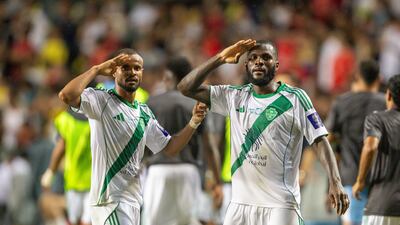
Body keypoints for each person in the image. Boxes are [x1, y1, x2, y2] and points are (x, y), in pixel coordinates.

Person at [177, 39, 349, 225]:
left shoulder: (295, 98)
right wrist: (220, 58)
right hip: (240, 205)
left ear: (276, 65)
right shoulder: (234, 96)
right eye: (253, 58)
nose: (259, 61)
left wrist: (335, 181)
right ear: (246, 65)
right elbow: (186, 87)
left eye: (266, 57)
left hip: (280, 205)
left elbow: (320, 140)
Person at [58, 48, 207, 225]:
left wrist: (194, 121)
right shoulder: (101, 101)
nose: (132, 72)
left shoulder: (144, 112)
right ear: (115, 71)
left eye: (137, 68)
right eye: (126, 67)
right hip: (110, 202)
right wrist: (96, 69)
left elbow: (170, 148)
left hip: (132, 201)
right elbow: (66, 95)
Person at [143, 56, 222, 225]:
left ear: (167, 77)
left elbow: (142, 144)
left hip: (158, 171)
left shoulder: (152, 102)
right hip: (189, 170)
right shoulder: (196, 102)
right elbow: (210, 145)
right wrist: (217, 182)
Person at [326, 60, 386, 225]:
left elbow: (327, 138)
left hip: (350, 177)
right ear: (378, 78)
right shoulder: (385, 103)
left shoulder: (342, 102)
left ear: (357, 76)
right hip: (380, 179)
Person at [352, 74, 400, 225]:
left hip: (383, 206)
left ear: (389, 95)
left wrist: (360, 181)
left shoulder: (377, 119)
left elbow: (371, 146)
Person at [41, 108, 92, 225]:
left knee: (74, 220)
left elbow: (60, 148)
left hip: (73, 180)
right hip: (95, 180)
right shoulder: (100, 116)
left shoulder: (65, 119)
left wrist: (50, 172)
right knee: (88, 220)